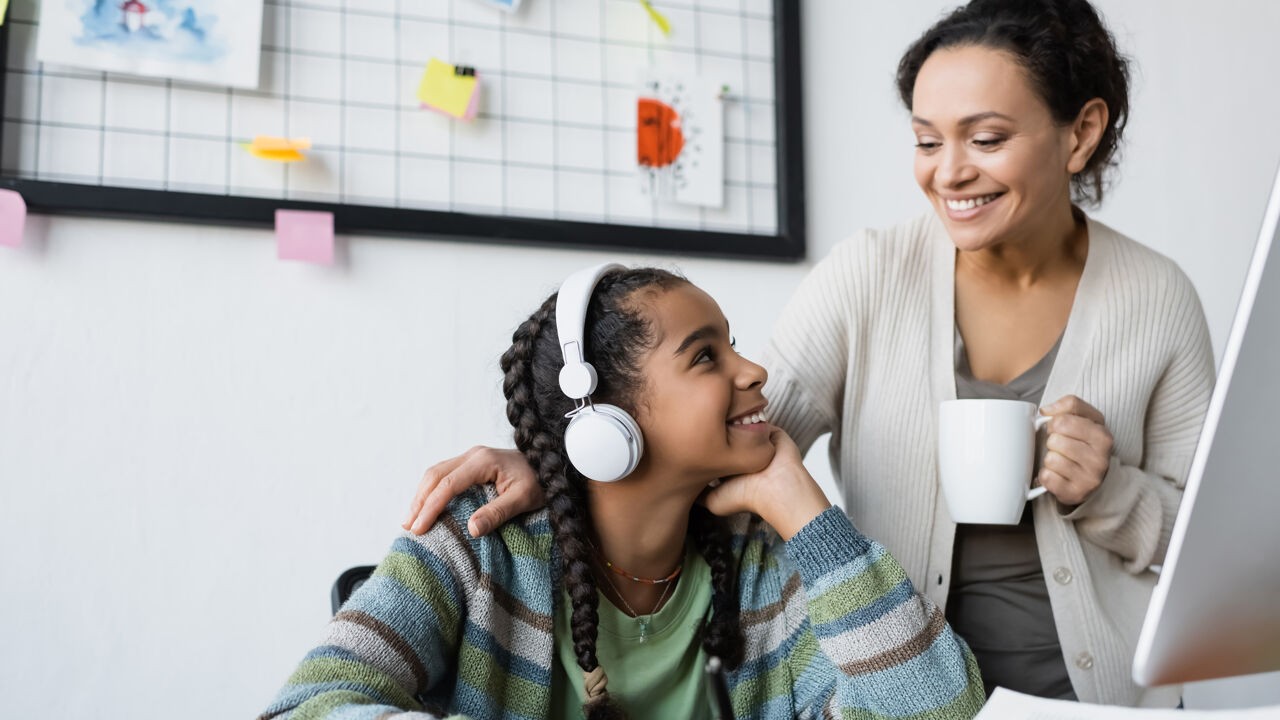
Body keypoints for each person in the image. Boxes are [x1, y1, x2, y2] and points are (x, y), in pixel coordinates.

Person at [399, 0, 1215, 708]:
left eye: (987, 137)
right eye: (927, 141)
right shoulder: (870, 274)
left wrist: (1109, 491)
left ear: (1082, 132)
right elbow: (727, 438)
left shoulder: (1159, 299)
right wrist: (565, 462)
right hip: (887, 687)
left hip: (1104, 701)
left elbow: (1217, 557)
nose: (950, 172)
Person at [260, 266, 985, 720]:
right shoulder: (478, 542)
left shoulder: (769, 561)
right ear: (604, 426)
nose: (754, 371)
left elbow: (943, 712)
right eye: (706, 356)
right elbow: (305, 706)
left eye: (733, 345)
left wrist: (808, 514)